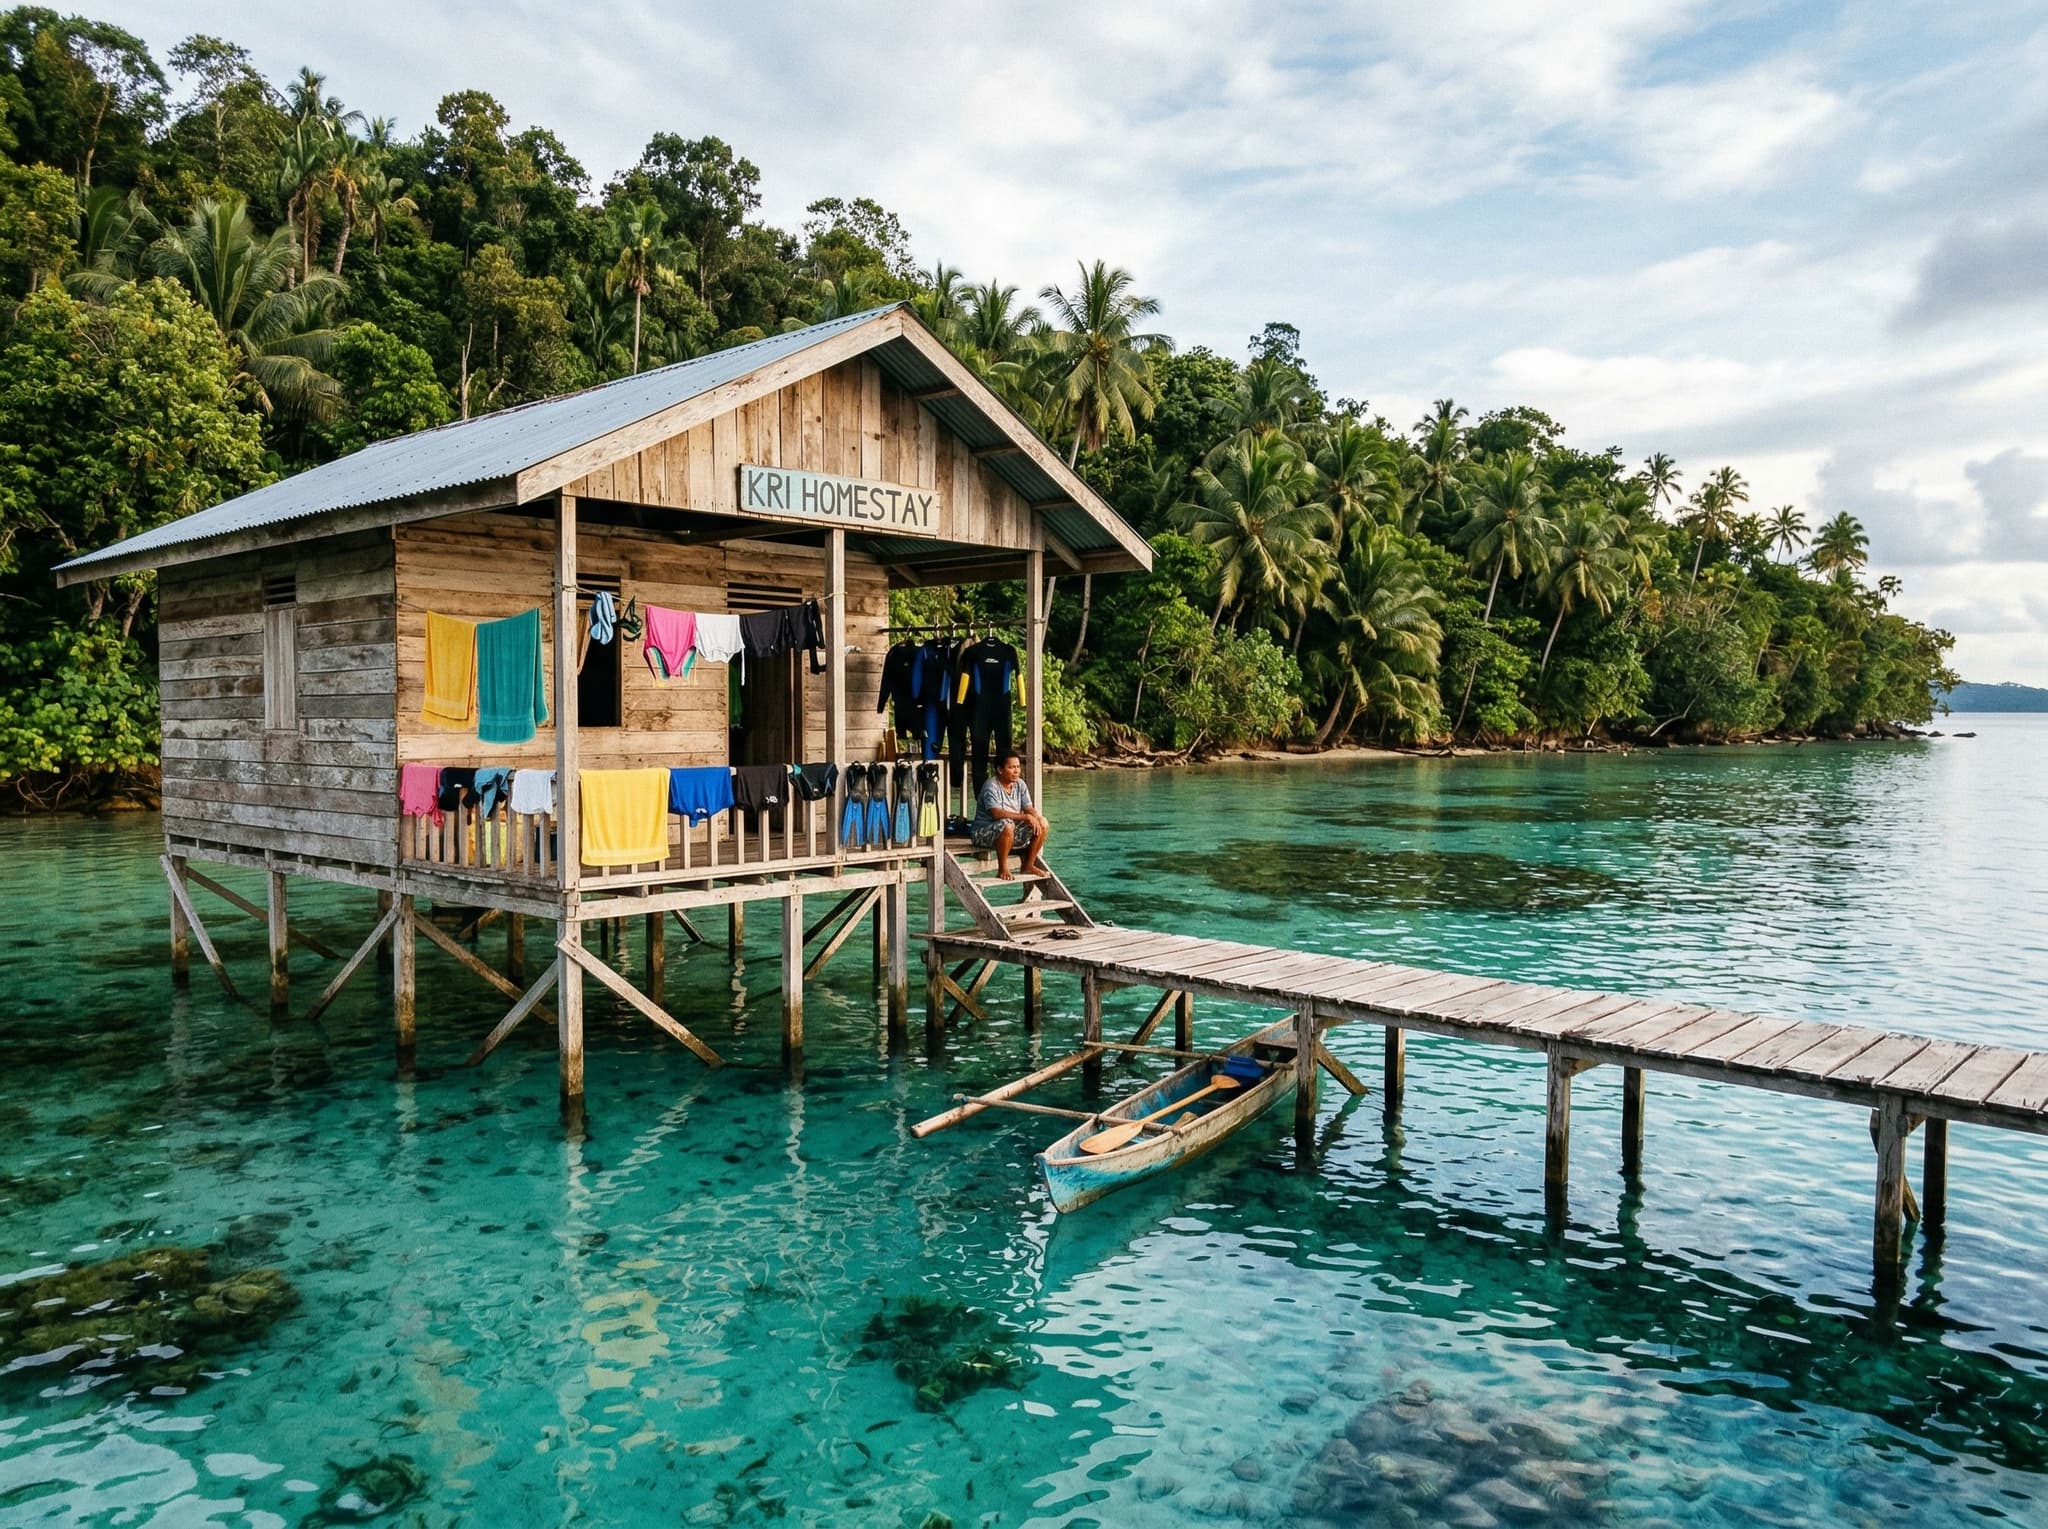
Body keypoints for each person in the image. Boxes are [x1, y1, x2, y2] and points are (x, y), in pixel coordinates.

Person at [969, 753, 1048, 879]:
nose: (1016, 771)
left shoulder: (1020, 784)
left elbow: (1028, 808)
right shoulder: (991, 786)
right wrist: (1025, 817)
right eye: (1011, 767)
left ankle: (1028, 865)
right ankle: (1002, 868)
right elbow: (996, 813)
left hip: (1010, 831)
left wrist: (1035, 817)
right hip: (982, 833)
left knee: (1043, 823)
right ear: (1000, 770)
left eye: (1018, 767)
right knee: (1007, 824)